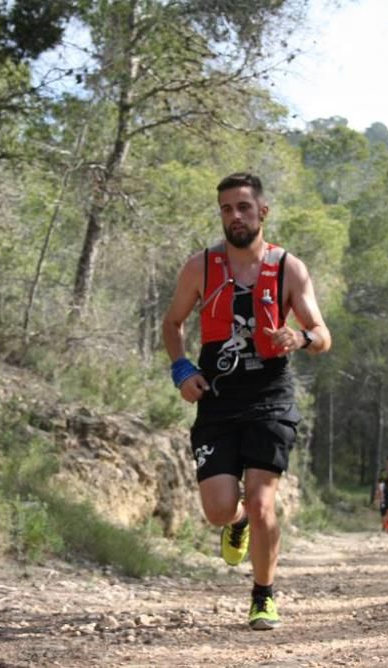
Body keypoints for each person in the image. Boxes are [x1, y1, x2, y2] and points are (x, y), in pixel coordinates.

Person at [162, 172, 332, 630]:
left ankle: (264, 595)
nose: (234, 216)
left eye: (243, 207)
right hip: (217, 400)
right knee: (220, 509)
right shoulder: (200, 267)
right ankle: (235, 523)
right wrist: (183, 369)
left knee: (262, 503)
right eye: (226, 209)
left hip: (270, 398)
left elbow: (322, 335)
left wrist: (299, 336)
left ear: (262, 211)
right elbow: (173, 324)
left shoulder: (289, 269)